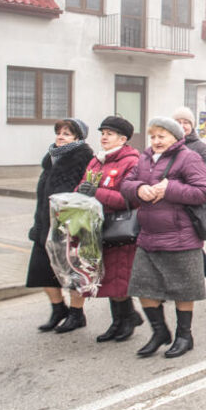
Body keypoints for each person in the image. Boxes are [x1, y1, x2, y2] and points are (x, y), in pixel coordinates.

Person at [121, 116, 206, 358]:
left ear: (175, 137)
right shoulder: (144, 158)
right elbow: (126, 184)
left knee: (184, 290)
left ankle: (185, 335)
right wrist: (139, 189)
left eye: (162, 136)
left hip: (180, 237)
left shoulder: (189, 157)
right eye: (153, 136)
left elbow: (204, 192)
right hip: (148, 236)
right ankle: (159, 332)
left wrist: (169, 189)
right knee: (143, 287)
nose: (156, 141)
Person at [75, 116, 143, 341]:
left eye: (110, 134)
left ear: (123, 139)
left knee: (119, 278)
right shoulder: (97, 160)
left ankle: (127, 321)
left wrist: (95, 192)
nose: (104, 137)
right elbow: (84, 186)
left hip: (120, 229)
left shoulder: (131, 161)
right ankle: (121, 320)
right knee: (108, 279)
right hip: (98, 228)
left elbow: (129, 198)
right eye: (102, 133)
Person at [26, 118, 94, 332]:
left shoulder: (83, 158)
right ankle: (58, 310)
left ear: (78, 137)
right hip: (44, 225)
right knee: (40, 271)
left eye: (67, 133)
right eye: (59, 132)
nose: (61, 136)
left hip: (70, 226)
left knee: (74, 272)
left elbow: (86, 192)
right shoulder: (51, 159)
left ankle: (76, 314)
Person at [172, 107, 206, 293]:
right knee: (175, 243)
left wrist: (191, 170)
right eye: (178, 122)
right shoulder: (165, 143)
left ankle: (205, 270)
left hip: (189, 203)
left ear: (192, 126)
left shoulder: (197, 145)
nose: (182, 125)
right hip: (169, 201)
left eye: (186, 122)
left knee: (184, 243)